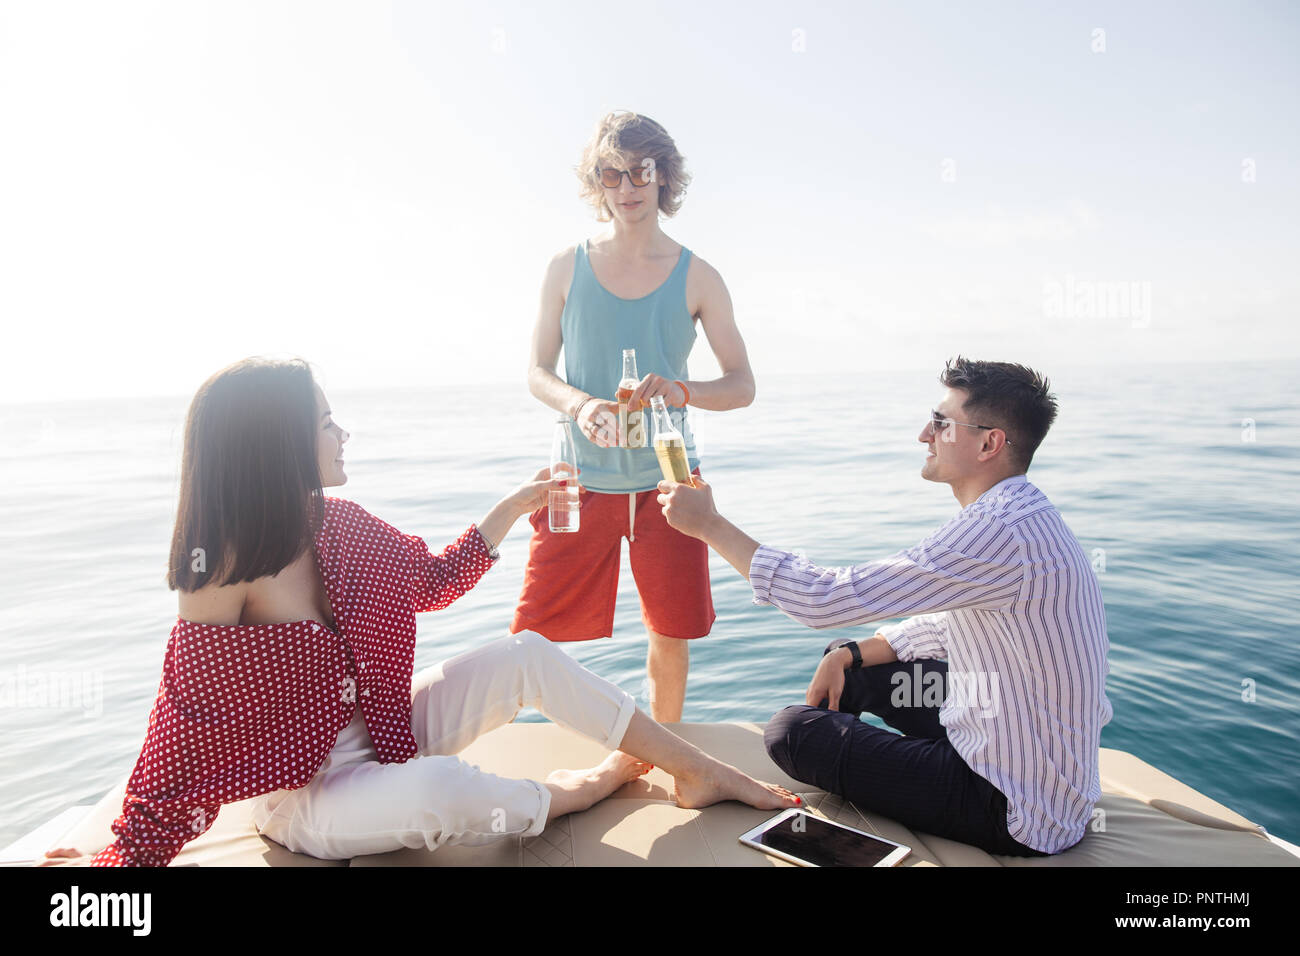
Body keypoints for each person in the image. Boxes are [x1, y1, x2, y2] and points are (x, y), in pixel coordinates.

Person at [40, 357, 799, 867]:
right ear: (276, 442)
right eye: (327, 422)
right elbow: (187, 713)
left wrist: (511, 509)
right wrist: (126, 857)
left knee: (525, 654)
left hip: (385, 728)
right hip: (306, 794)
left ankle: (696, 771)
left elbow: (433, 580)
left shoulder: (341, 523)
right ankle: (584, 789)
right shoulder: (225, 565)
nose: (343, 434)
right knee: (445, 791)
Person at [655, 357, 1113, 856]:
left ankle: (859, 757)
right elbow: (952, 625)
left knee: (794, 733)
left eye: (941, 423)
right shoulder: (1020, 515)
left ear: (989, 443)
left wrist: (711, 527)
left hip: (1013, 804)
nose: (924, 434)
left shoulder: (999, 529)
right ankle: (880, 759)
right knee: (850, 661)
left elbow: (825, 598)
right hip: (1009, 744)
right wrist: (849, 653)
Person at [513, 110, 758, 723]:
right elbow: (537, 372)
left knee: (669, 636)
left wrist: (681, 389)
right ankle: (541, 763)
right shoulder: (563, 268)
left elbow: (742, 385)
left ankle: (667, 754)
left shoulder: (699, 276)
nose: (626, 188)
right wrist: (581, 403)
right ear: (597, 181)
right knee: (537, 633)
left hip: (669, 484)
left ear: (663, 177)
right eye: (611, 174)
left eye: (640, 172)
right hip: (576, 483)